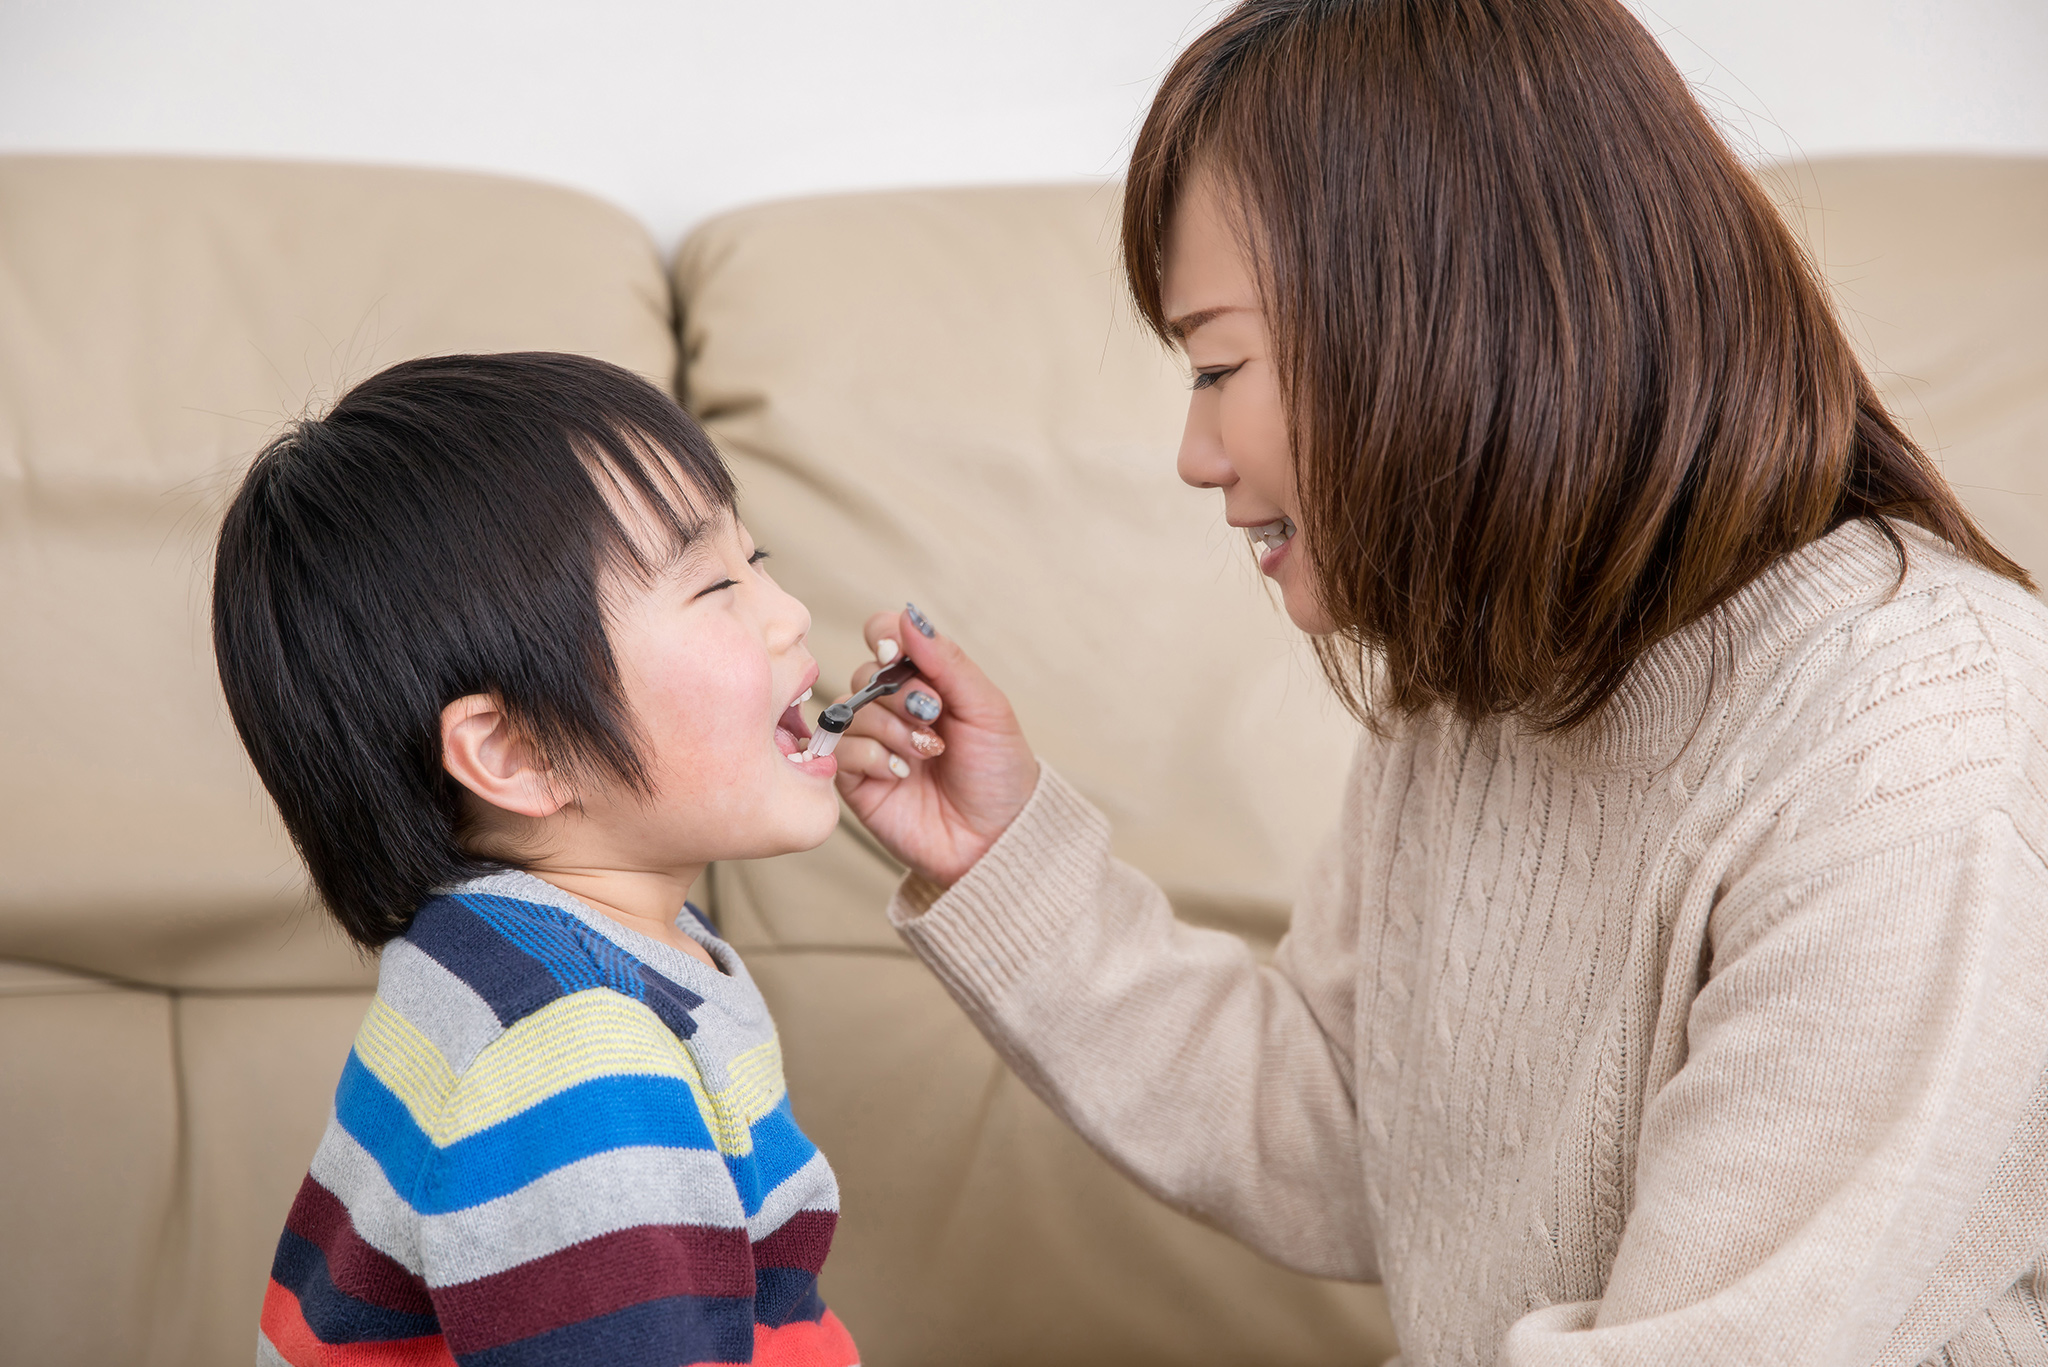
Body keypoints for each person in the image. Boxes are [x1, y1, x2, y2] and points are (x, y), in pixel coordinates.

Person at [821, 2, 2048, 1363]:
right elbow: (1354, 1130)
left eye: (1221, 366)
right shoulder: (1484, 678)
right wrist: (1002, 856)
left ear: (1452, 318)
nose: (1196, 452)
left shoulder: (1914, 737)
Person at [213, 353, 876, 1367]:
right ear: (519, 752)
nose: (787, 612)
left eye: (760, 557)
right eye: (715, 584)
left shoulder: (542, 946)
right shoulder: (573, 1053)